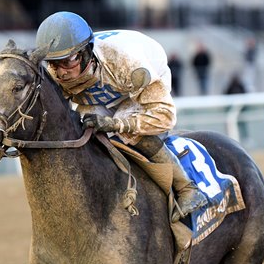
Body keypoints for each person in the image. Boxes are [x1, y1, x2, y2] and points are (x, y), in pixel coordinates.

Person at [35, 11, 206, 217]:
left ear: (87, 52)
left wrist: (119, 125)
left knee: (129, 132)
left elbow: (165, 116)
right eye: (53, 63)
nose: (61, 72)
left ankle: (187, 189)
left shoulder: (128, 63)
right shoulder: (59, 70)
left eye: (68, 61)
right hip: (102, 87)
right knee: (84, 130)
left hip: (138, 81)